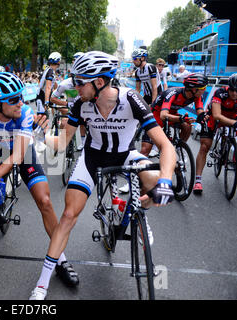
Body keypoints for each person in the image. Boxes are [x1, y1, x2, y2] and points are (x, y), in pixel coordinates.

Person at [28, 51, 176, 300]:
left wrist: (165, 181)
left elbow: (166, 146)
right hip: (92, 159)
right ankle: (42, 284)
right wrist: (42, 138)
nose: (74, 87)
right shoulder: (79, 104)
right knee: (67, 216)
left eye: (79, 82)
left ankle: (143, 212)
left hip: (125, 155)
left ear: (99, 82)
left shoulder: (131, 99)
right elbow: (64, 142)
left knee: (158, 184)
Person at [0, 71, 80, 290]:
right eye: (14, 99)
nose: (21, 102)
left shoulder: (24, 113)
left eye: (21, 96)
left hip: (20, 153)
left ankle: (61, 259)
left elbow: (17, 157)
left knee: (45, 201)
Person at [140, 73, 208, 157]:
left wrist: (204, 117)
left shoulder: (197, 96)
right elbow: (163, 115)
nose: (205, 89)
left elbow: (200, 112)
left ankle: (180, 148)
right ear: (193, 89)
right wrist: (181, 118)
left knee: (187, 126)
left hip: (171, 113)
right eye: (203, 88)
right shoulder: (173, 93)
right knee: (145, 150)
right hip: (156, 114)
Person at [193, 73, 237, 194]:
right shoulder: (220, 93)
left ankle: (230, 154)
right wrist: (233, 123)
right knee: (204, 146)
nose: (234, 94)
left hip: (232, 117)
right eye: (232, 90)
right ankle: (197, 181)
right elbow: (217, 115)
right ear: (229, 87)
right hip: (214, 117)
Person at [50, 52, 87, 151]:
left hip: (85, 107)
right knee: (64, 122)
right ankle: (63, 141)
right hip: (72, 107)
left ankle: (84, 143)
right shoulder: (64, 84)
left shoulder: (88, 83)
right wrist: (67, 104)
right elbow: (52, 98)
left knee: (84, 123)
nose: (78, 86)